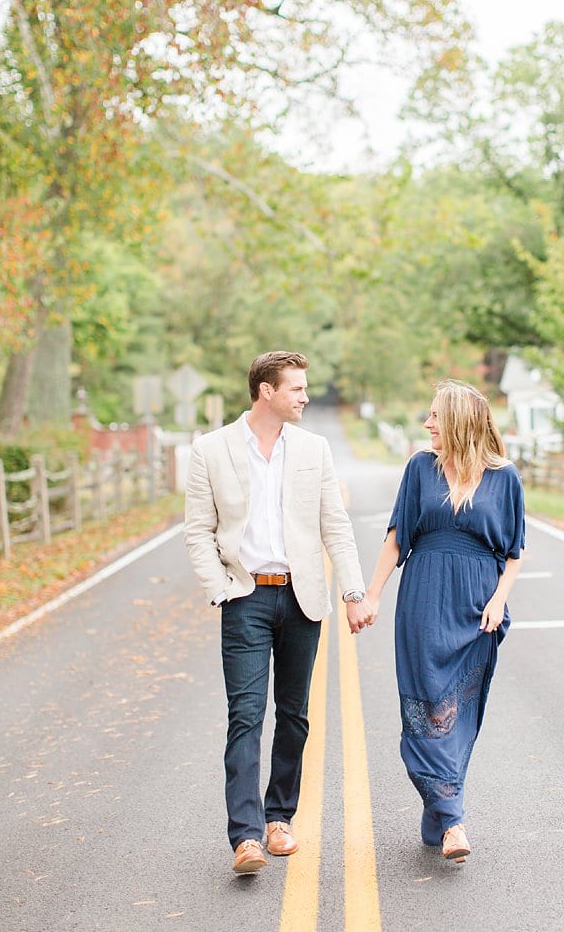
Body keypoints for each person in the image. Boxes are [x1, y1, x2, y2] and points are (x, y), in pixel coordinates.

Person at [184, 350, 370, 876]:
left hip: (302, 597)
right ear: (266, 391)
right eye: (296, 389)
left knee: (294, 716)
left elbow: (334, 524)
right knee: (245, 715)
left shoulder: (314, 449)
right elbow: (198, 529)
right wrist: (220, 588)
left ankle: (278, 818)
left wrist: (353, 592)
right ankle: (245, 837)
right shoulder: (211, 450)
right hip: (245, 597)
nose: (306, 398)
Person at [358, 379, 524, 863]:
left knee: (459, 713)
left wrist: (497, 600)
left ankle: (439, 811)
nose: (427, 424)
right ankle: (453, 819)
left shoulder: (504, 477)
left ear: (458, 421)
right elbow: (396, 538)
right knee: (428, 706)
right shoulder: (419, 469)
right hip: (424, 598)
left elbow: (513, 553)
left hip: (478, 605)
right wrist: (371, 595)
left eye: (434, 416)